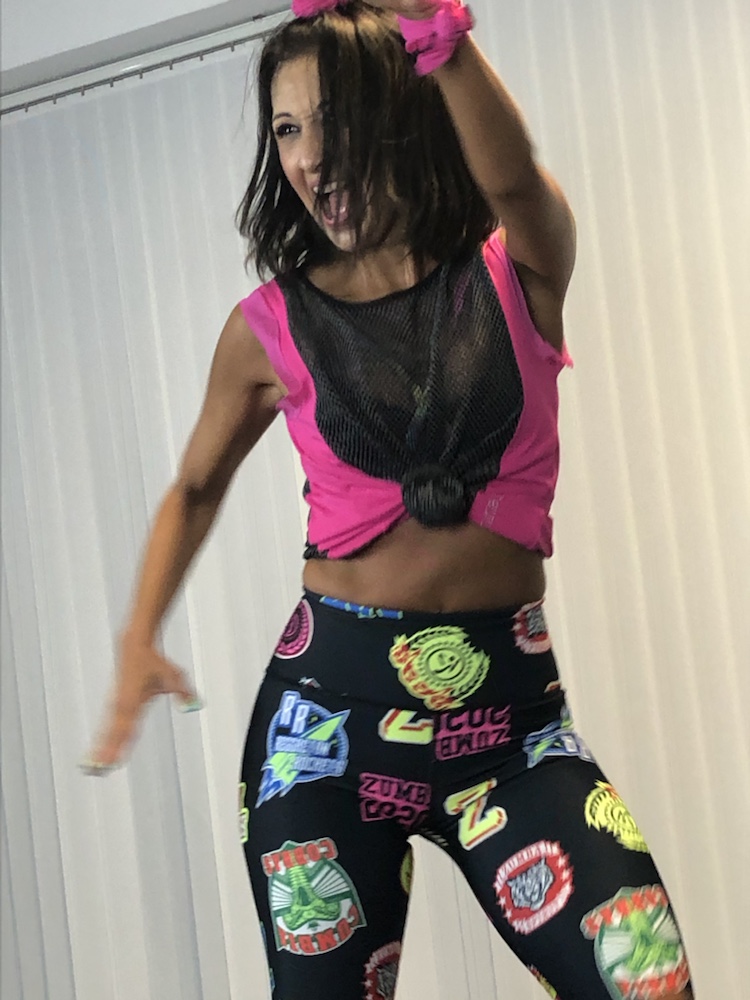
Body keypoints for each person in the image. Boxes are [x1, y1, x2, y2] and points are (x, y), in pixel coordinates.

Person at [83, 2, 696, 998]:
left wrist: (439, 35)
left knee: (648, 980)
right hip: (322, 733)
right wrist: (137, 636)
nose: (311, 158)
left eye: (334, 121)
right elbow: (194, 486)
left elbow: (513, 178)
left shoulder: (517, 268)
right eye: (287, 129)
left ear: (403, 117)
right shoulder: (268, 326)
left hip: (515, 734)